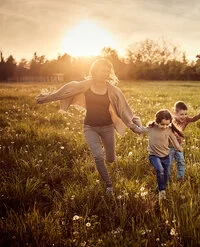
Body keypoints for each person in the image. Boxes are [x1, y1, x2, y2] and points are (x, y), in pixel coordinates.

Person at [36, 58, 140, 193]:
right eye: (103, 71)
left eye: (108, 71)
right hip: (89, 127)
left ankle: (108, 161)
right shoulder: (86, 85)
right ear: (95, 71)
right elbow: (67, 89)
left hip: (107, 128)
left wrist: (133, 126)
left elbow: (123, 109)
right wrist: (47, 98)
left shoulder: (113, 90)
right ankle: (108, 185)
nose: (106, 74)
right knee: (98, 155)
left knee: (110, 158)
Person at [131, 109, 183, 200]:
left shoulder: (169, 130)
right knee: (160, 169)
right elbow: (140, 130)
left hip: (165, 156)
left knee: (167, 174)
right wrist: (131, 124)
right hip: (154, 155)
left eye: (167, 124)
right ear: (156, 122)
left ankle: (160, 187)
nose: (165, 126)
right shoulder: (151, 128)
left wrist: (178, 147)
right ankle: (162, 191)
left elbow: (174, 140)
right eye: (162, 124)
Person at [168, 101, 200, 182]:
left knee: (181, 161)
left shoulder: (186, 119)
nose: (184, 116)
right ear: (175, 113)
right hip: (169, 147)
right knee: (168, 163)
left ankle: (180, 177)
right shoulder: (170, 121)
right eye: (181, 114)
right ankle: (166, 177)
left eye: (185, 114)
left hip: (179, 145)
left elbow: (193, 119)